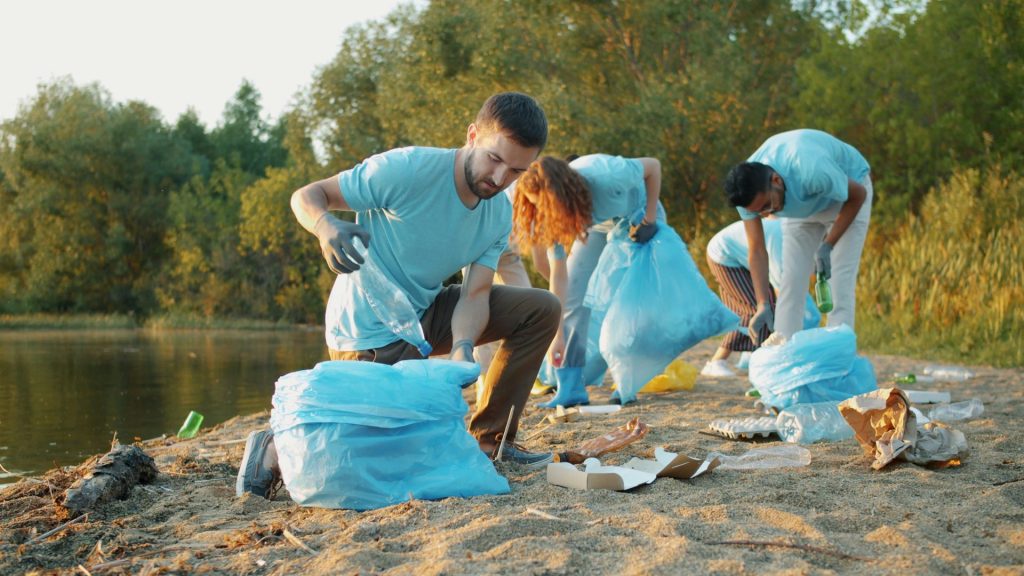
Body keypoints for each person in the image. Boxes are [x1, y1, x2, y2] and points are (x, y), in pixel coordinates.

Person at [236, 92, 560, 499]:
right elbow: (307, 195)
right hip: (368, 332)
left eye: (515, 170)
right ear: (473, 135)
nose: (499, 179)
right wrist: (325, 227)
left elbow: (476, 293)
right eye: (494, 159)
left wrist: (461, 347)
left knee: (542, 308)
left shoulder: (497, 212)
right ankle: (274, 444)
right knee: (386, 453)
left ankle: (491, 440)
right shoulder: (406, 169)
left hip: (425, 313)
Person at [513, 154, 665, 408]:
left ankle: (627, 382)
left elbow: (653, 166)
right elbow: (559, 276)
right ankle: (571, 386)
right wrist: (557, 334)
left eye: (546, 205)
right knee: (574, 294)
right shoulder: (555, 214)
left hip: (638, 214)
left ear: (561, 193)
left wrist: (649, 219)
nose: (543, 212)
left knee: (630, 302)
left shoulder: (606, 173)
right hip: (597, 224)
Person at [723, 129, 872, 343]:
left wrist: (828, 245)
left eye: (767, 206)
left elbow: (858, 195)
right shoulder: (746, 193)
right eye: (759, 212)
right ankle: (784, 353)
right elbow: (756, 249)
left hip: (848, 193)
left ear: (776, 180)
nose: (766, 215)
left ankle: (838, 359)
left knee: (839, 281)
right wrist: (763, 303)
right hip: (802, 207)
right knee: (791, 280)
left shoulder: (811, 169)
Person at [702, 219, 785, 378]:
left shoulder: (791, 233)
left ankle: (750, 358)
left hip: (743, 258)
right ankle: (716, 362)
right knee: (755, 310)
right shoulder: (781, 239)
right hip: (724, 256)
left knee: (765, 308)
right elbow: (780, 288)